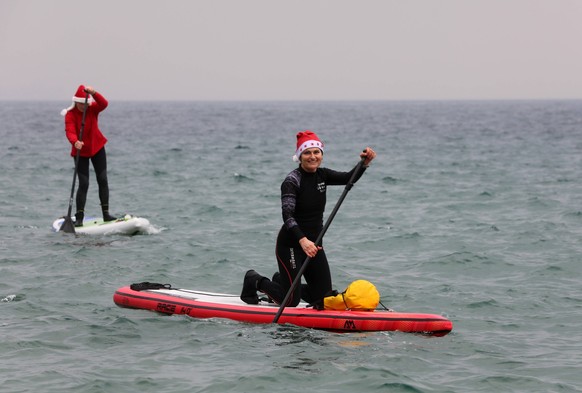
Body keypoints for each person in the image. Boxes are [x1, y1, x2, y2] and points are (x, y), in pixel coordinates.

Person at [240, 130, 376, 307]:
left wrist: (364, 163)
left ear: (321, 154)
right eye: (307, 153)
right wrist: (302, 241)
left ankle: (282, 281)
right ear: (299, 156)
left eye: (316, 152)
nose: (312, 156)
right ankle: (255, 280)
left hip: (315, 244)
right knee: (290, 301)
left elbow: (349, 178)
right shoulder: (292, 180)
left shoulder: (322, 175)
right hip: (291, 244)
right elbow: (287, 216)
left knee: (323, 298)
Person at [61, 85, 117, 226]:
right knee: (84, 183)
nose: (84, 107)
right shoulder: (70, 114)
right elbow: (70, 131)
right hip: (80, 151)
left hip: (97, 147)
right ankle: (79, 217)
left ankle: (106, 214)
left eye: (85, 104)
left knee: (102, 179)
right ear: (76, 102)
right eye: (81, 104)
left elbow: (104, 104)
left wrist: (94, 93)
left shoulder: (92, 108)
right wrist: (75, 142)